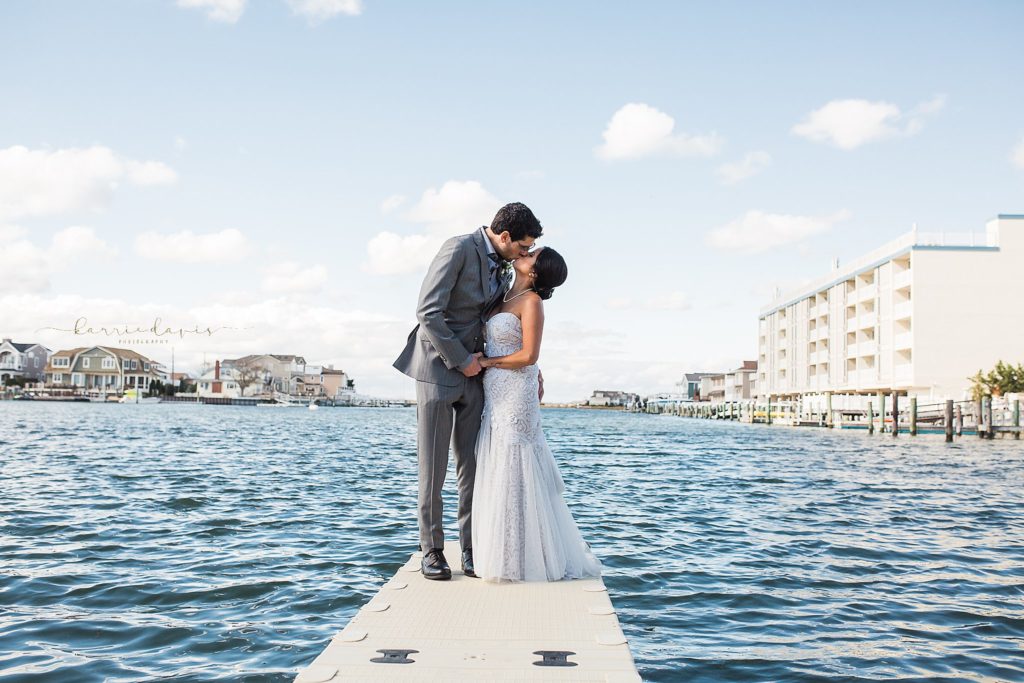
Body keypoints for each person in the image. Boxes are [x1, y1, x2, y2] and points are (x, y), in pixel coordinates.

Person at [393, 202, 543, 580]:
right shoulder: (458, 248)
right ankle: (432, 551)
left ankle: (473, 549)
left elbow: (508, 322)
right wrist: (462, 361)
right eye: (523, 247)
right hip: (438, 370)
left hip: (479, 377)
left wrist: (532, 369)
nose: (525, 254)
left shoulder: (506, 266)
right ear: (505, 236)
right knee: (433, 469)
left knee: (473, 467)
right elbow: (428, 311)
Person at [472, 247, 602, 582]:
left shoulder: (532, 302)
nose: (524, 252)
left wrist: (487, 362)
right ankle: (502, 550)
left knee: (515, 462)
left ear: (535, 271)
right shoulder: (504, 291)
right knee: (499, 461)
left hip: (515, 390)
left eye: (532, 254)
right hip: (496, 389)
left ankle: (522, 558)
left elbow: (528, 355)